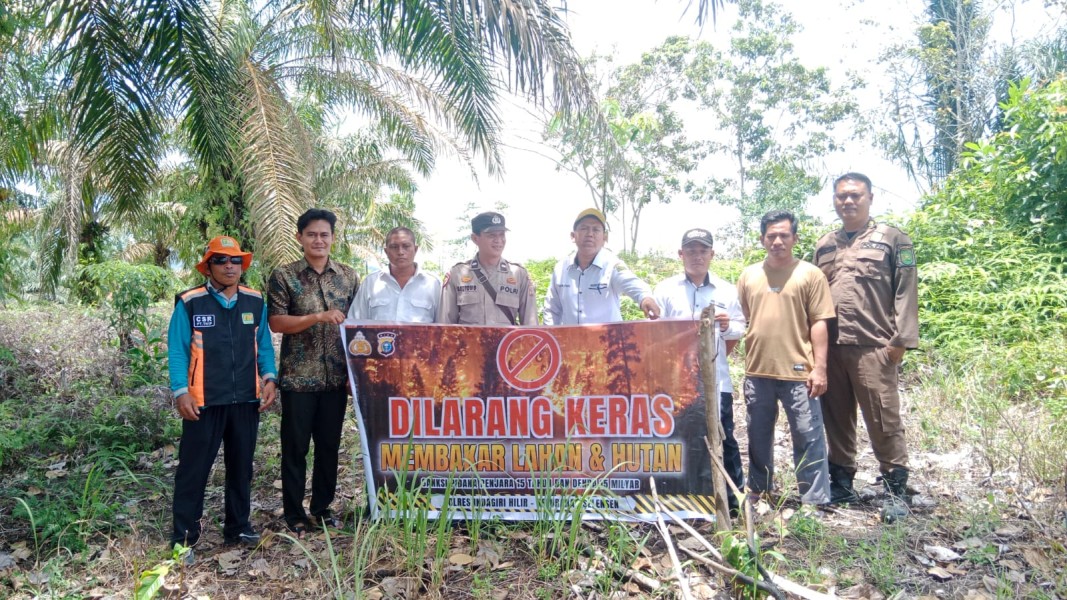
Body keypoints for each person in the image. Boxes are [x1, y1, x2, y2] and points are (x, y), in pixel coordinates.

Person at [814, 172, 919, 521]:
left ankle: (895, 490)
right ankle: (842, 484)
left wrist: (900, 341)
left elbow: (906, 291)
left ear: (870, 197)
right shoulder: (825, 244)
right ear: (834, 199)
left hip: (874, 345)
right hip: (832, 347)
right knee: (836, 419)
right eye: (842, 196)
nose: (848, 201)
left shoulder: (892, 239)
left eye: (855, 195)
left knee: (883, 417)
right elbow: (814, 298)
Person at [168, 236, 277, 559]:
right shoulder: (190, 302)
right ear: (208, 266)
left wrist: (269, 378)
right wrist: (180, 391)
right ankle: (184, 538)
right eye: (221, 261)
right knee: (193, 470)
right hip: (203, 402)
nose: (229, 266)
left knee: (241, 467)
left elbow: (265, 347)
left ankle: (239, 527)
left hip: (246, 399)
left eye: (235, 261)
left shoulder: (255, 302)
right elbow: (177, 350)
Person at [268, 209, 360, 536]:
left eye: (324, 234)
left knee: (328, 447)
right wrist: (318, 317)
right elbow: (276, 322)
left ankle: (322, 509)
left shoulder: (349, 277)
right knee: (295, 448)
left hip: (335, 379)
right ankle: (294, 514)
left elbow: (358, 328)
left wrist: (356, 373)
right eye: (311, 234)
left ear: (333, 238)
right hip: (298, 378)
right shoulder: (284, 276)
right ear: (300, 238)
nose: (318, 240)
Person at [736, 210, 834, 506]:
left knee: (808, 435)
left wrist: (820, 368)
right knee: (757, 435)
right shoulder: (749, 275)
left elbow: (819, 322)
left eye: (784, 235)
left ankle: (813, 499)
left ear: (795, 238)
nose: (777, 241)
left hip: (799, 373)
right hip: (758, 370)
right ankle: (759, 489)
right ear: (762, 238)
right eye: (771, 236)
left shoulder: (810, 274)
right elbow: (747, 317)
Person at [653, 228, 745, 513]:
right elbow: (656, 333)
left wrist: (728, 325)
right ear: (681, 254)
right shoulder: (665, 290)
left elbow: (740, 329)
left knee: (723, 437)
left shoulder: (726, 290)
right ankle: (678, 498)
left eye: (703, 250)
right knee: (678, 438)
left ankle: (734, 500)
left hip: (716, 381)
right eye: (691, 251)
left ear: (712, 254)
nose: (697, 256)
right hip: (675, 382)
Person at [542, 208, 661, 325]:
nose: (590, 234)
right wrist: (552, 336)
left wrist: (645, 298)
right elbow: (552, 309)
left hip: (607, 342)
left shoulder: (612, 265)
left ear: (604, 238)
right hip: (571, 342)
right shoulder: (561, 269)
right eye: (584, 228)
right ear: (573, 236)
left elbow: (631, 282)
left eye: (596, 229)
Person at [436, 211, 537, 325]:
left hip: (506, 343)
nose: (498, 240)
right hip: (470, 343)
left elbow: (530, 325)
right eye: (492, 235)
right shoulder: (457, 274)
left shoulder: (519, 274)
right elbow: (445, 325)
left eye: (502, 234)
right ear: (475, 238)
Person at [348, 227, 440, 323]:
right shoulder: (371, 282)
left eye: (406, 246)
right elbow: (355, 322)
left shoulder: (433, 284)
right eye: (394, 247)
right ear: (386, 251)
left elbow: (444, 326)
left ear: (415, 249)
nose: (400, 252)